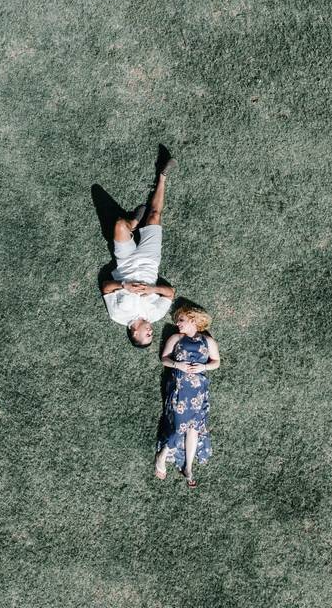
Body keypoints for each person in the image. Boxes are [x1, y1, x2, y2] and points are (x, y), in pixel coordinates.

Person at [100, 156, 177, 347]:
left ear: (134, 333)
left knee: (119, 225)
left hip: (125, 263)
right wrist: (153, 289)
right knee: (154, 216)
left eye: (147, 335)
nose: (151, 331)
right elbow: (170, 293)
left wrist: (124, 285)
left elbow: (106, 287)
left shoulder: (117, 315)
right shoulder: (156, 314)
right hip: (149, 262)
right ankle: (163, 176)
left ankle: (132, 224)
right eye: (152, 334)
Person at [154, 304, 220, 488]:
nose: (177, 324)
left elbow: (216, 362)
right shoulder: (176, 338)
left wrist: (203, 367)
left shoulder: (208, 341)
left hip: (198, 389)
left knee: (194, 428)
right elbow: (164, 358)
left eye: (181, 320)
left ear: (193, 319)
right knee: (179, 425)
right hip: (180, 386)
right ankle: (162, 456)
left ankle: (188, 467)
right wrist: (178, 365)